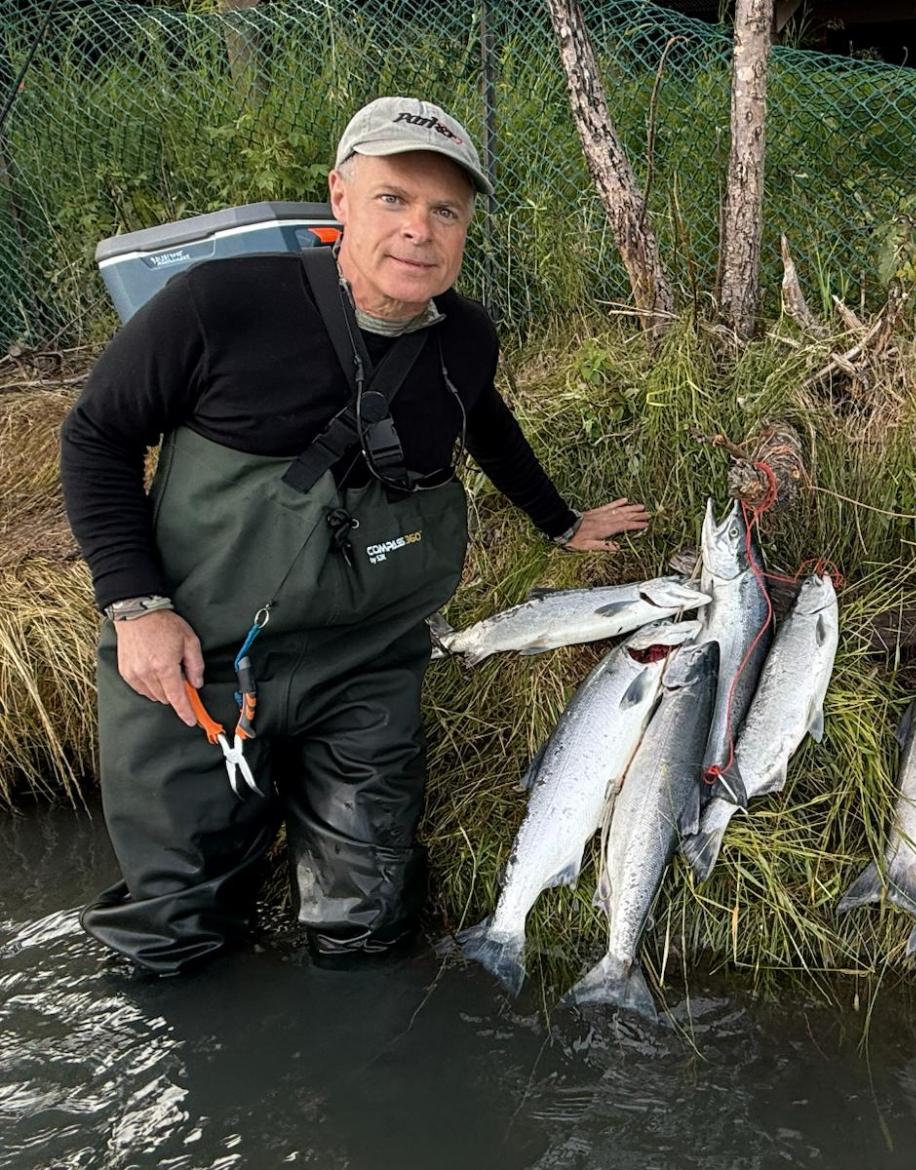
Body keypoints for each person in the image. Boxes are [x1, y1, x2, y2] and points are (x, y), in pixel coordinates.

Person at [58, 96, 648, 975]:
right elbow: (96, 435)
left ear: (466, 227)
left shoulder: (465, 338)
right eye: (394, 199)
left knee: (367, 928)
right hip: (196, 666)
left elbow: (486, 422)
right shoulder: (217, 305)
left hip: (366, 664)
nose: (420, 230)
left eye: (445, 210)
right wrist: (136, 607)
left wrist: (560, 522)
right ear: (339, 197)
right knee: (172, 937)